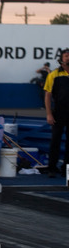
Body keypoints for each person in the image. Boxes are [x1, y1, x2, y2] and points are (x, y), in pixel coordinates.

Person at [43, 48, 69, 178]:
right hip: (59, 112)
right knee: (55, 141)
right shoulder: (53, 74)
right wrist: (49, 114)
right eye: (66, 56)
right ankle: (52, 168)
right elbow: (47, 96)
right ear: (61, 59)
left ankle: (66, 169)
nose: (68, 58)